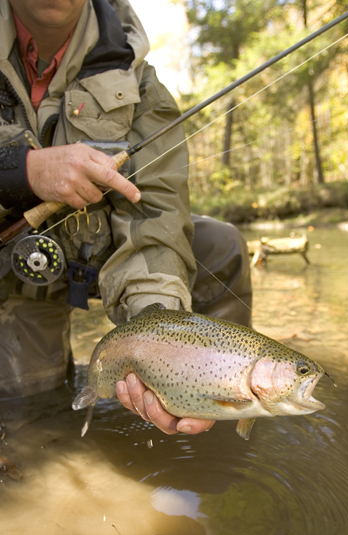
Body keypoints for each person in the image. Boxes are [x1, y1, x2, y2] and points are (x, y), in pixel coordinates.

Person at [0, 0, 252, 435]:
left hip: (96, 252)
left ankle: (214, 414)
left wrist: (158, 331)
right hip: (8, 271)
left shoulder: (140, 82)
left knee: (220, 247)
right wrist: (21, 170)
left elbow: (156, 213)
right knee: (32, 420)